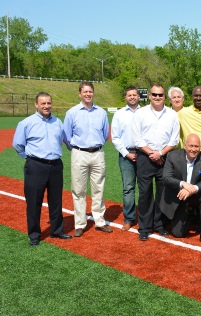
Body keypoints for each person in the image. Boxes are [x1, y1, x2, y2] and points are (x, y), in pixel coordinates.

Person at [12, 92, 72, 246]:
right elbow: (18, 144)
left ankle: (57, 230)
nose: (46, 106)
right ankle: (34, 234)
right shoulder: (26, 123)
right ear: (36, 105)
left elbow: (66, 140)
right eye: (43, 103)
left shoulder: (58, 122)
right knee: (34, 202)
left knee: (56, 201)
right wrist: (30, 158)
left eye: (49, 103)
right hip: (35, 166)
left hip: (56, 166)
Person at [132, 84, 180, 241]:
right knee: (145, 193)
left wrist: (160, 153)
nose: (157, 97)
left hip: (165, 157)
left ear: (164, 97)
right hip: (145, 157)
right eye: (154, 94)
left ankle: (159, 225)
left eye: (160, 95)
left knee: (162, 193)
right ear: (150, 96)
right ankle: (145, 227)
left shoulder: (172, 115)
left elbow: (174, 139)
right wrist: (152, 153)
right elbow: (137, 138)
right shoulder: (140, 113)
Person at [64, 81, 112, 237]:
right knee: (79, 190)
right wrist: (77, 149)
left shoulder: (101, 113)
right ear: (79, 94)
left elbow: (105, 134)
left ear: (93, 93)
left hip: (98, 153)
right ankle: (80, 223)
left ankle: (99, 221)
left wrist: (94, 146)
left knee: (99, 188)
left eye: (90, 91)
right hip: (79, 153)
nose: (88, 94)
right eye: (85, 91)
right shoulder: (72, 112)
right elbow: (67, 135)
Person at [160, 134, 201, 246]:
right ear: (185, 146)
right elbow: (166, 178)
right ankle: (190, 214)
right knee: (178, 233)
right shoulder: (172, 156)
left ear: (200, 147)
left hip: (195, 194)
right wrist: (183, 184)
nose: (193, 149)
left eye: (196, 146)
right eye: (191, 146)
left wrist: (192, 189)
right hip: (179, 195)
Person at [111, 86, 141, 231]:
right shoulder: (119, 114)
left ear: (138, 96)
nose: (132, 97)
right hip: (126, 155)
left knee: (144, 188)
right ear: (125, 97)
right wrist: (126, 153)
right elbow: (115, 138)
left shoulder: (145, 112)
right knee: (128, 188)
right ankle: (129, 218)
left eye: (134, 95)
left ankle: (144, 218)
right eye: (129, 95)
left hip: (143, 154)